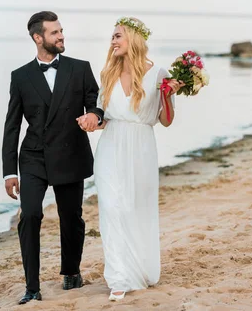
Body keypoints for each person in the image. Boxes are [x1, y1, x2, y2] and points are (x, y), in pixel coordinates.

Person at [77, 17, 183, 301]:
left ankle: (140, 268)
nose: (113, 41)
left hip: (141, 147)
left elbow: (165, 120)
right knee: (112, 208)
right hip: (110, 147)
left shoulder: (158, 73)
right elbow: (105, 118)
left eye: (117, 36)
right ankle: (118, 277)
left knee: (136, 209)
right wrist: (90, 120)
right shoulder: (107, 74)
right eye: (112, 37)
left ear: (133, 40)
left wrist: (169, 96)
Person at [2, 11, 104, 305]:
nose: (61, 36)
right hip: (33, 156)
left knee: (71, 217)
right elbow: (12, 125)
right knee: (30, 214)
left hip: (70, 153)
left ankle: (71, 272)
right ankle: (32, 287)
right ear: (38, 38)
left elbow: (96, 103)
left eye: (61, 31)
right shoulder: (20, 77)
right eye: (54, 33)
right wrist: (9, 171)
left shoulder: (80, 68)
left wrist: (94, 115)